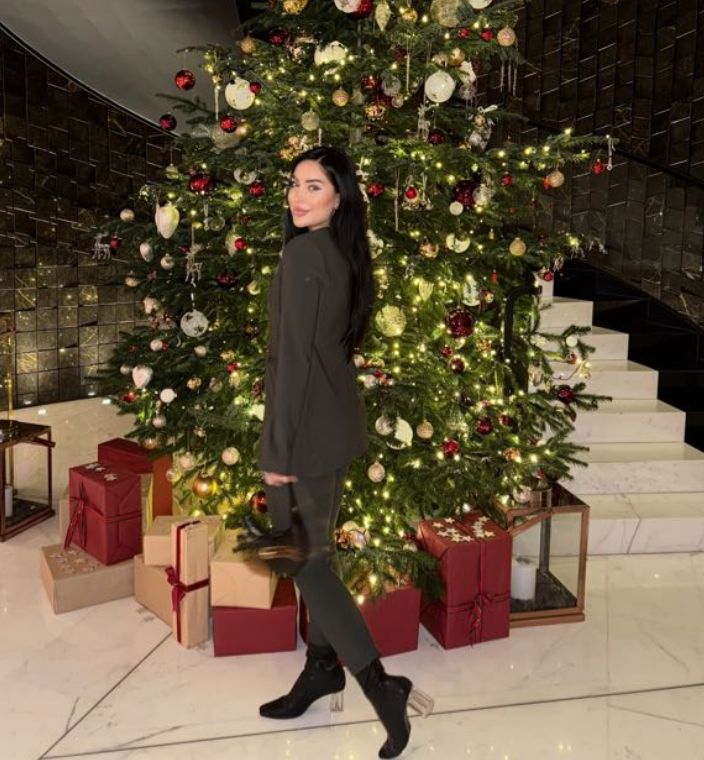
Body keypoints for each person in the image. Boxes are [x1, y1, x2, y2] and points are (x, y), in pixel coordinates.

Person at [252, 145, 433, 758]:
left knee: (304, 562)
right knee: (314, 555)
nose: (297, 196)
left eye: (314, 186)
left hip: (302, 437)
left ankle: (382, 688)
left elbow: (295, 365)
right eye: (294, 184)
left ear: (339, 198)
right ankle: (321, 669)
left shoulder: (304, 255)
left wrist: (278, 449)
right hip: (330, 429)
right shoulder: (341, 252)